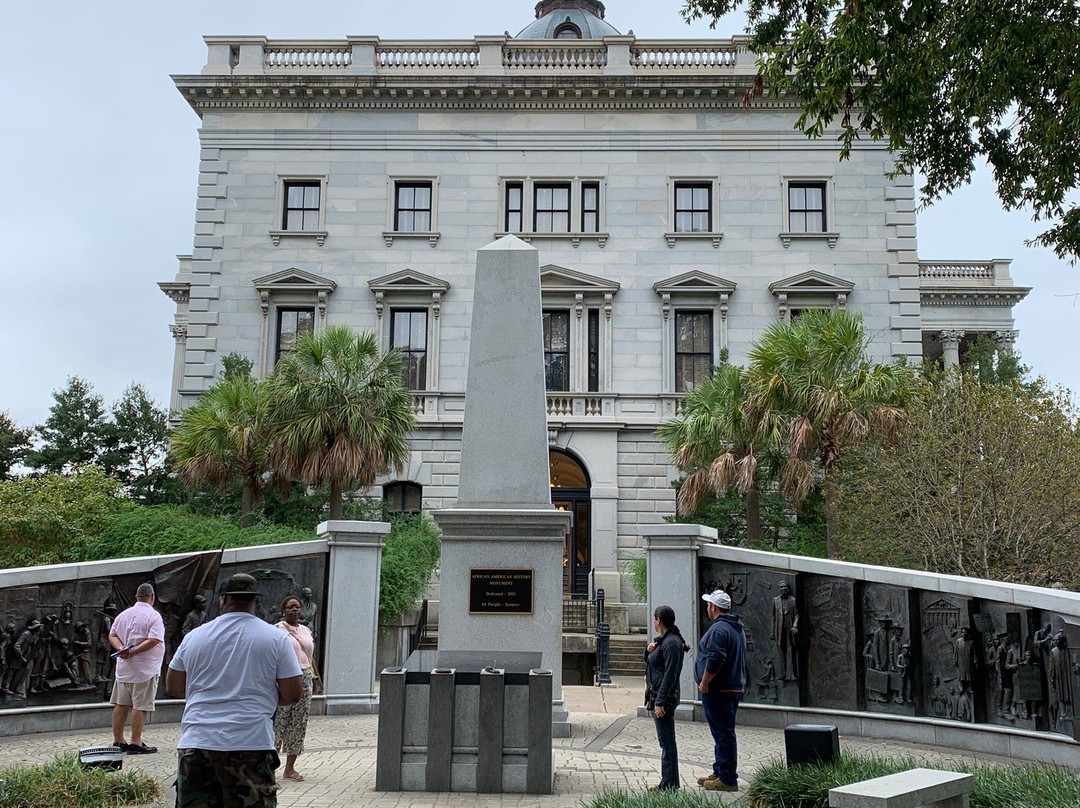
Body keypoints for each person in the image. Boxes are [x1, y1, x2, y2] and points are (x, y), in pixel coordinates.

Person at [166, 573, 303, 808]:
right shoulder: (276, 639)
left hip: (198, 742)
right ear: (254, 601)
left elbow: (174, 687)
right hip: (251, 742)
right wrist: (263, 698)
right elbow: (293, 694)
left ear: (223, 599)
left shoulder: (194, 637)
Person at [694, 590, 747, 792]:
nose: (707, 608)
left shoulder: (719, 630)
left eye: (708, 605)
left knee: (723, 733)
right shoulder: (736, 628)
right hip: (731, 688)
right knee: (722, 732)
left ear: (714, 608)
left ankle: (727, 778)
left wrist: (705, 682)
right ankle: (720, 770)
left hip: (720, 689)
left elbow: (715, 658)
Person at [109, 583, 165, 754]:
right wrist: (133, 651)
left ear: (137, 597)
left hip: (124, 669)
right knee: (139, 706)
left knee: (121, 704)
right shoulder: (153, 616)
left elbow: (112, 635)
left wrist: (121, 649)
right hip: (144, 670)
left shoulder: (123, 615)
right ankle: (136, 742)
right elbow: (154, 639)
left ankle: (118, 740)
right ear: (152, 597)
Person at [273, 594, 321, 782]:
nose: (295, 610)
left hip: (306, 676)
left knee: (299, 723)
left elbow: (309, 655)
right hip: (285, 678)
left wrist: (317, 678)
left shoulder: (306, 630)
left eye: (297, 607)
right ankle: (270, 767)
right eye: (291, 607)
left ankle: (290, 769)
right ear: (283, 610)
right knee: (280, 722)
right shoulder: (277, 631)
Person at [643, 605, 689, 792]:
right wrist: (648, 651)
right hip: (658, 696)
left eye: (654, 619)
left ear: (658, 621)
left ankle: (669, 784)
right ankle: (669, 782)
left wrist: (660, 701)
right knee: (666, 742)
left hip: (665, 699)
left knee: (667, 742)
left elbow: (671, 674)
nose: (653, 622)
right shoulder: (663, 641)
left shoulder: (671, 643)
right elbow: (652, 662)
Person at [771, 581, 798, 680]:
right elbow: (773, 617)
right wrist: (772, 632)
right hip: (779, 629)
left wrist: (795, 626)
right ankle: (782, 674)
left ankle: (792, 674)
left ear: (788, 588)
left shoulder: (793, 600)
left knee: (791, 650)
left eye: (785, 587)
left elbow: (797, 614)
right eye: (781, 587)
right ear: (779, 589)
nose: (783, 589)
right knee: (781, 651)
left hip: (789, 628)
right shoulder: (775, 600)